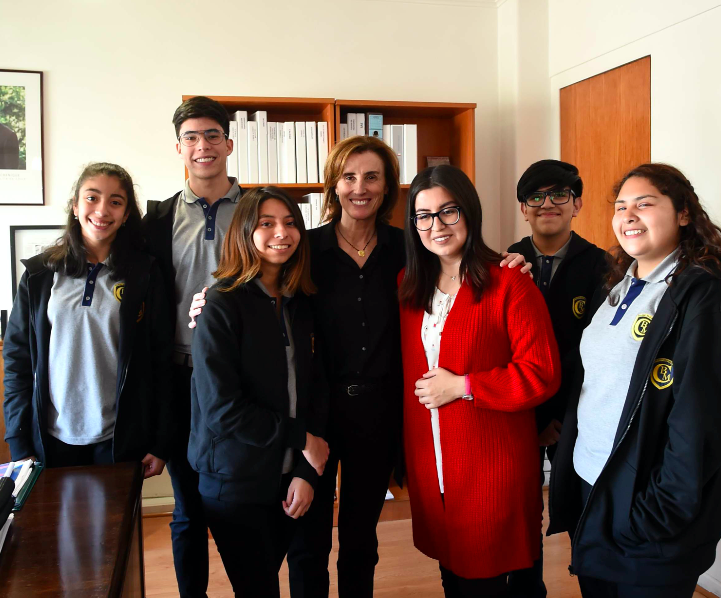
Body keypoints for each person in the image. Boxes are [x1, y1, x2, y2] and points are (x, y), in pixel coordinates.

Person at [187, 137, 531, 598]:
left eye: (372, 176)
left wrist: (508, 261)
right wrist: (210, 298)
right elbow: (259, 288)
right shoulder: (306, 247)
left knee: (359, 539)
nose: (360, 187)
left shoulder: (410, 248)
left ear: (388, 185)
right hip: (318, 414)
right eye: (349, 177)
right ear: (334, 185)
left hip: (382, 414)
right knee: (308, 540)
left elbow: (459, 265)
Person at [547, 163, 721, 598]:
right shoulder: (620, 284)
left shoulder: (705, 295)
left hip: (646, 509)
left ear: (684, 214)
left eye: (644, 204)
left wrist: (655, 515)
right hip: (594, 490)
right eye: (621, 206)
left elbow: (704, 423)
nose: (628, 215)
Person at [398, 164, 561, 598]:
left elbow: (541, 373)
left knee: (486, 579)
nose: (437, 225)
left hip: (490, 464)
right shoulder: (410, 286)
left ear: (470, 212)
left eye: (449, 211)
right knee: (452, 574)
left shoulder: (510, 282)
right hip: (433, 460)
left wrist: (464, 385)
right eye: (424, 215)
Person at [188, 186, 329, 598]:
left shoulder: (301, 301)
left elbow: (315, 388)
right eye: (266, 224)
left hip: (291, 476)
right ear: (245, 232)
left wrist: (306, 470)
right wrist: (302, 439)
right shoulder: (219, 305)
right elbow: (221, 410)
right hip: (235, 482)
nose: (280, 233)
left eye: (289, 223)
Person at [3, 162, 172, 475]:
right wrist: (18, 439)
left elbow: (161, 361)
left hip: (118, 439)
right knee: (55, 525)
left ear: (126, 215)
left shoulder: (145, 274)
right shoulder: (39, 275)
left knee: (115, 526)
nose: (103, 210)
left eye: (115, 202)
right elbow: (17, 361)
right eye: (92, 198)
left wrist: (161, 442)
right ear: (75, 206)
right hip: (51, 438)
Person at [141, 95, 239, 598]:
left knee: (240, 501)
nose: (203, 147)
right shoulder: (156, 220)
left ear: (228, 141)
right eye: (192, 138)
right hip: (179, 375)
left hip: (240, 377)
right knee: (187, 506)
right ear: (178, 147)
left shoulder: (259, 212)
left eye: (212, 136)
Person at [506, 160, 609, 597]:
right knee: (523, 512)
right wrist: (535, 421)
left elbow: (598, 355)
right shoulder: (505, 263)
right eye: (536, 197)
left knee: (580, 508)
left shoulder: (604, 266)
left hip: (577, 415)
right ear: (524, 209)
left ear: (577, 204)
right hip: (521, 416)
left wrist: (561, 417)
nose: (548, 204)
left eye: (559, 195)